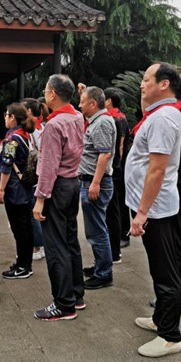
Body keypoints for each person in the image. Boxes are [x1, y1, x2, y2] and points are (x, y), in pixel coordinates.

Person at [126, 62, 181, 357]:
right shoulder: (157, 113)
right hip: (152, 207)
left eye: (146, 79)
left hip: (155, 210)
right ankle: (160, 319)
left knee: (165, 273)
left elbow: (157, 170)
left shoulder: (163, 118)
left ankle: (170, 336)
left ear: (164, 84)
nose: (141, 84)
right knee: (158, 268)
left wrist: (142, 213)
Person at [32, 74, 85, 321]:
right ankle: (76, 295)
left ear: (53, 94)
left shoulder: (54, 125)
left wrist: (40, 198)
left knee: (56, 246)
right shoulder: (77, 117)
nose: (45, 95)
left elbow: (49, 165)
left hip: (56, 186)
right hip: (72, 184)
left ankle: (64, 304)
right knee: (71, 240)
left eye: (46, 91)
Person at [149, 82, 181, 310]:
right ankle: (180, 290)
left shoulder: (176, 117)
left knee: (176, 239)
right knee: (179, 237)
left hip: (176, 182)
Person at [77, 84, 116, 290]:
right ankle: (100, 266)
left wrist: (95, 183)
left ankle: (104, 274)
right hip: (91, 180)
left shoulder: (101, 123)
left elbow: (104, 154)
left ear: (93, 104)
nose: (79, 105)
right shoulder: (97, 120)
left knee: (97, 231)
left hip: (95, 181)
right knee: (96, 229)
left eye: (82, 102)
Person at [0, 102, 36, 279]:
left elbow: (6, 165)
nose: (5, 118)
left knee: (20, 230)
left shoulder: (12, 139)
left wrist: (1, 190)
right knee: (26, 227)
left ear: (13, 117)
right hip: (24, 188)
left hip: (14, 190)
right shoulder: (25, 135)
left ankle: (22, 267)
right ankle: (25, 264)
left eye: (6, 115)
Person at [103, 87, 130, 263]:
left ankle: (122, 235)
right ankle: (122, 233)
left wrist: (114, 164)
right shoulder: (121, 117)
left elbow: (119, 145)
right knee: (120, 202)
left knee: (116, 204)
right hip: (120, 165)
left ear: (109, 101)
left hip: (117, 167)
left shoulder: (115, 119)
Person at [22, 98, 46, 261]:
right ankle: (40, 245)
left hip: (33, 176)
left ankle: (37, 246)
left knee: (32, 214)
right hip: (41, 174)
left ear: (29, 111)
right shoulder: (43, 127)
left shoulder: (31, 131)